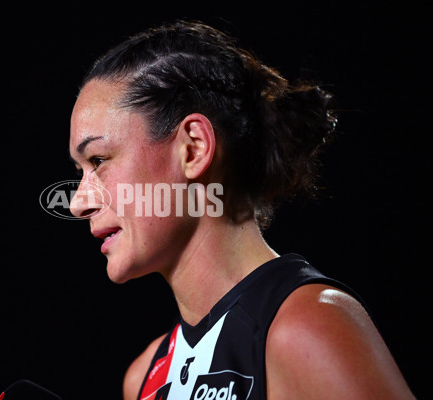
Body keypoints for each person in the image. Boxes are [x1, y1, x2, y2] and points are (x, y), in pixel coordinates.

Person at [68, 20, 414, 399]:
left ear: (193, 148)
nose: (78, 202)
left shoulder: (305, 328)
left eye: (99, 160)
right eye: (80, 171)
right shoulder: (144, 379)